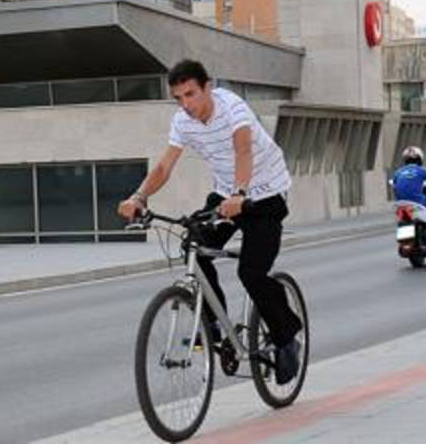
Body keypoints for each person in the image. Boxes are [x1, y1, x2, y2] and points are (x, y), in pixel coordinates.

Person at [117, 59, 303, 384]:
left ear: (207, 87)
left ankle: (287, 337)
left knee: (251, 272)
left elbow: (243, 149)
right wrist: (138, 197)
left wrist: (241, 193)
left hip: (265, 195)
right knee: (194, 247)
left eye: (191, 94)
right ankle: (214, 325)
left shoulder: (232, 107)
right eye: (178, 98)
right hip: (225, 196)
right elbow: (164, 167)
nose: (186, 105)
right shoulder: (182, 122)